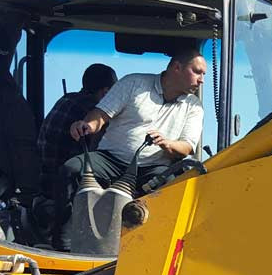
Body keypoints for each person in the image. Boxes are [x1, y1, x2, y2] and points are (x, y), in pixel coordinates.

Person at [63, 46, 206, 193]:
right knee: (72, 169)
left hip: (153, 169)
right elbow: (101, 114)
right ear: (177, 67)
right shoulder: (133, 83)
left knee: (172, 186)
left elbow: (187, 147)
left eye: (204, 74)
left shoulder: (194, 107)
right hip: (111, 160)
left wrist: (167, 143)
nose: (201, 80)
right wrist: (86, 125)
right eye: (197, 72)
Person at [38, 63, 117, 174]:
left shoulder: (66, 98)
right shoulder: (94, 112)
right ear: (106, 92)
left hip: (42, 174)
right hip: (68, 180)